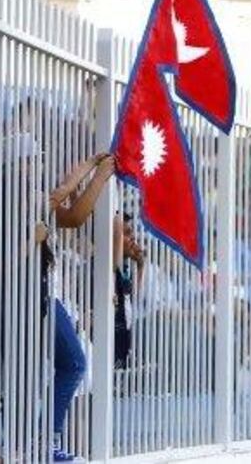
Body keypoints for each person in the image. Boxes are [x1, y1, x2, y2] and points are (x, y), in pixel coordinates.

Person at [45, 152, 115, 463]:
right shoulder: (26, 194)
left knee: (71, 368)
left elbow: (77, 223)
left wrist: (89, 180)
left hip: (51, 296)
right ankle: (43, 443)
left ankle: (43, 442)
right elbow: (71, 213)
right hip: (42, 296)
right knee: (74, 364)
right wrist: (94, 173)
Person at [113, 213, 145, 369]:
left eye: (132, 233)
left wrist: (140, 265)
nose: (133, 238)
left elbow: (131, 299)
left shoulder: (125, 267)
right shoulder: (109, 266)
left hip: (123, 342)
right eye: (127, 233)